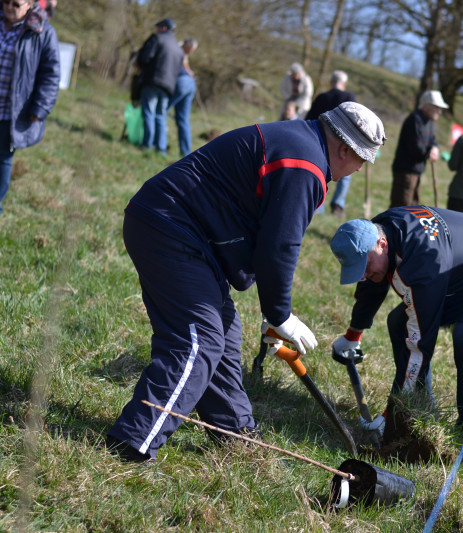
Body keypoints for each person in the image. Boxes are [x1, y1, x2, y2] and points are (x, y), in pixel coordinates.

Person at [105, 102, 386, 462]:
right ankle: (133, 442)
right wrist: (279, 315)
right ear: (345, 149)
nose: (361, 168)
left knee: (224, 333)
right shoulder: (305, 165)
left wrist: (273, 314)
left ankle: (234, 431)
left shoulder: (303, 144)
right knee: (199, 341)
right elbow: (279, 245)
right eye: (362, 159)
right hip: (169, 228)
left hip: (188, 234)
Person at [328, 206, 463, 456]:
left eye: (365, 265)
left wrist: (391, 411)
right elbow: (371, 282)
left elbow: (420, 344)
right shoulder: (377, 231)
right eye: (357, 270)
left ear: (382, 243)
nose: (363, 274)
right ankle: (419, 411)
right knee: (398, 321)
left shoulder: (421, 260)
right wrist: (353, 335)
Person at [0, 0, 59, 214]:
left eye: (16, 3)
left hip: (11, 111)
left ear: (29, 4)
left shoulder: (42, 32)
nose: (9, 7)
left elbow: (50, 75)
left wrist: (40, 107)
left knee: (3, 158)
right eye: (6, 2)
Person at [306, 70, 357, 217]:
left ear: (331, 82)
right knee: (346, 174)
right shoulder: (348, 97)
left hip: (321, 141)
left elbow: (309, 119)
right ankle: (337, 205)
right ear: (344, 83)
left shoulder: (322, 97)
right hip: (344, 144)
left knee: (320, 172)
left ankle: (317, 206)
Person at [390, 90, 448, 207]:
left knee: (413, 205)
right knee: (401, 206)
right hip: (406, 171)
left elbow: (432, 140)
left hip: (416, 171)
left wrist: (435, 148)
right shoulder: (414, 120)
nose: (440, 111)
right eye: (436, 107)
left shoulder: (429, 121)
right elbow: (415, 147)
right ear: (426, 105)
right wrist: (428, 153)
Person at [136, 18, 183, 156]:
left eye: (158, 27)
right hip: (169, 86)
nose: (156, 29)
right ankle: (161, 148)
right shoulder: (178, 49)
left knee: (149, 113)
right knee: (161, 116)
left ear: (163, 28)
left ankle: (146, 145)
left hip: (153, 81)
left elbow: (144, 57)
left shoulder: (157, 38)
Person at [168, 38, 198, 158]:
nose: (191, 52)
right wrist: (190, 72)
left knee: (160, 113)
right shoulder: (180, 48)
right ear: (187, 45)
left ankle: (157, 145)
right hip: (190, 84)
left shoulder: (179, 49)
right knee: (183, 119)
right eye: (191, 49)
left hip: (182, 82)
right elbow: (184, 64)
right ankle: (185, 153)